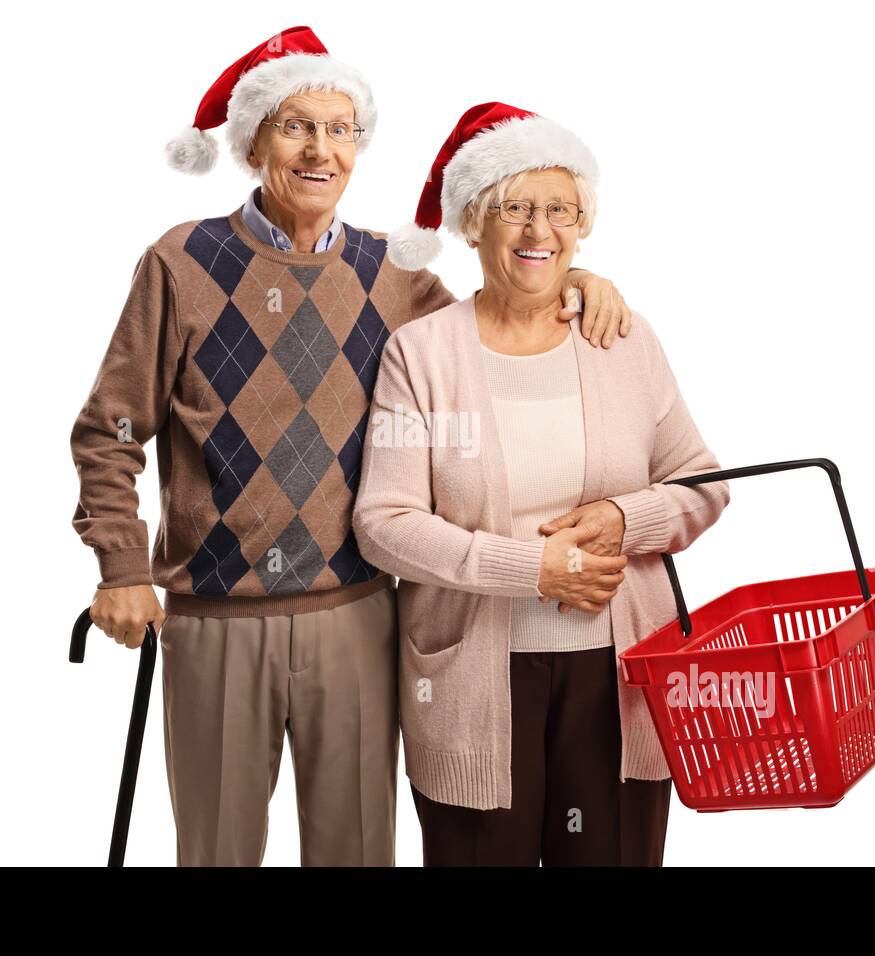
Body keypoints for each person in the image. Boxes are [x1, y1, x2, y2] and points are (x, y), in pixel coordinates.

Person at [69, 30, 634, 866]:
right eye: (296, 125)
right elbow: (110, 429)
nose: (319, 149)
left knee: (358, 854)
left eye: (340, 130)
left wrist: (584, 281)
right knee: (216, 853)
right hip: (218, 618)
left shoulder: (390, 275)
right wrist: (121, 567)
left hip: (360, 615)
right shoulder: (182, 261)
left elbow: (496, 318)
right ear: (254, 139)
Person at [353, 103, 731, 866]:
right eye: (514, 209)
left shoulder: (622, 337)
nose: (539, 232)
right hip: (472, 681)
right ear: (471, 223)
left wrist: (628, 518)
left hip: (620, 673)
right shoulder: (420, 354)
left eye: (560, 210)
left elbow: (703, 484)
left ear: (582, 223)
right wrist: (532, 568)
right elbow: (384, 523)